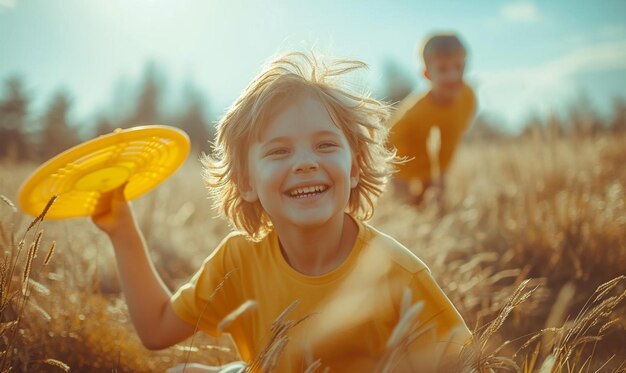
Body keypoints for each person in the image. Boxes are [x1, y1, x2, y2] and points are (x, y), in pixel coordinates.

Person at [93, 52, 471, 372]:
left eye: (325, 145)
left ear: (354, 168)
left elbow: (467, 363)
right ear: (246, 182)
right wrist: (122, 232)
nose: (305, 163)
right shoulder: (238, 260)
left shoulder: (397, 275)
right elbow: (157, 330)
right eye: (278, 151)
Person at [388, 33, 477, 207]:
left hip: (438, 167)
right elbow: (388, 141)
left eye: (458, 67)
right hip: (404, 169)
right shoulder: (414, 114)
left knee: (439, 206)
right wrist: (399, 181)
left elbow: (461, 127)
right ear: (428, 74)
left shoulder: (468, 96)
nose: (452, 76)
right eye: (443, 69)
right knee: (409, 207)